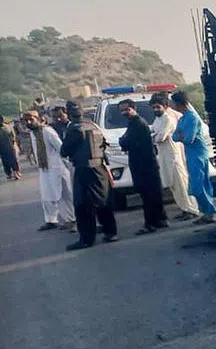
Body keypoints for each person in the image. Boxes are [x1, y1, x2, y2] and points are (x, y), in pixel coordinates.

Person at [59, 100, 118, 250]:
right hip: (99, 167)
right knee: (103, 201)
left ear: (68, 113)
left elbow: (64, 151)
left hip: (84, 168)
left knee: (82, 205)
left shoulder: (74, 128)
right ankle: (110, 231)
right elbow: (104, 145)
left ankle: (86, 239)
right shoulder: (93, 125)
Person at [117, 98, 168, 234]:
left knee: (148, 195)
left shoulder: (138, 123)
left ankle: (151, 223)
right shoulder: (133, 123)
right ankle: (160, 220)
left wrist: (123, 142)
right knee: (153, 193)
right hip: (144, 164)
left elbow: (127, 142)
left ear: (134, 109)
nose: (124, 113)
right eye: (122, 110)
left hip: (144, 165)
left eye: (127, 109)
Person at [149, 93, 198, 220]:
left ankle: (192, 209)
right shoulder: (157, 120)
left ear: (165, 106)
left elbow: (161, 137)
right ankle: (184, 208)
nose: (156, 110)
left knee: (181, 182)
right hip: (164, 154)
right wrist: (155, 136)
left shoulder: (168, 119)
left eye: (158, 107)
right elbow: (156, 135)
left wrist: (154, 136)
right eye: (153, 107)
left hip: (173, 154)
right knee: (171, 183)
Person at [24, 111, 75, 231]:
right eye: (26, 121)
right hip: (44, 168)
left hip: (57, 168)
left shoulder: (48, 131)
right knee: (47, 195)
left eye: (31, 119)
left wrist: (68, 165)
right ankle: (51, 220)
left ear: (39, 118)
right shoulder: (33, 133)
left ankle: (71, 219)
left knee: (63, 195)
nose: (28, 122)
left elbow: (61, 149)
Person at [171, 91, 216, 223]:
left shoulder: (192, 118)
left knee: (199, 184)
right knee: (197, 183)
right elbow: (175, 137)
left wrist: (181, 135)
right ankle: (206, 212)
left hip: (198, 154)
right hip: (190, 154)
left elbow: (188, 138)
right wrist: (181, 135)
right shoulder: (182, 119)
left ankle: (210, 211)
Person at [0, 115, 21, 180]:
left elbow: (13, 136)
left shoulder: (8, 127)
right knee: (5, 161)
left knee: (13, 160)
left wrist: (14, 144)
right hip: (1, 148)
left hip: (10, 146)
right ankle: (9, 173)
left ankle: (16, 172)